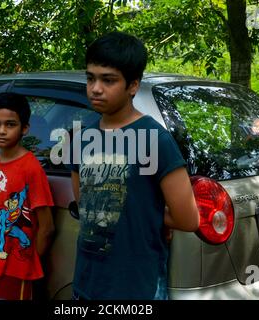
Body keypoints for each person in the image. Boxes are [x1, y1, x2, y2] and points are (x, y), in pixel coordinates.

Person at [68, 32, 200, 300]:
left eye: (108, 80)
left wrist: (146, 212)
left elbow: (188, 218)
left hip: (137, 286)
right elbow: (85, 204)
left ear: (133, 86)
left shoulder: (156, 140)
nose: (95, 88)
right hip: (87, 282)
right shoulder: (79, 139)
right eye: (91, 78)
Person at [0, 92, 55, 300]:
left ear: (24, 128)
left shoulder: (31, 168)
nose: (2, 131)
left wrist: (27, 261)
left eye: (10, 124)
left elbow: (47, 228)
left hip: (17, 269)